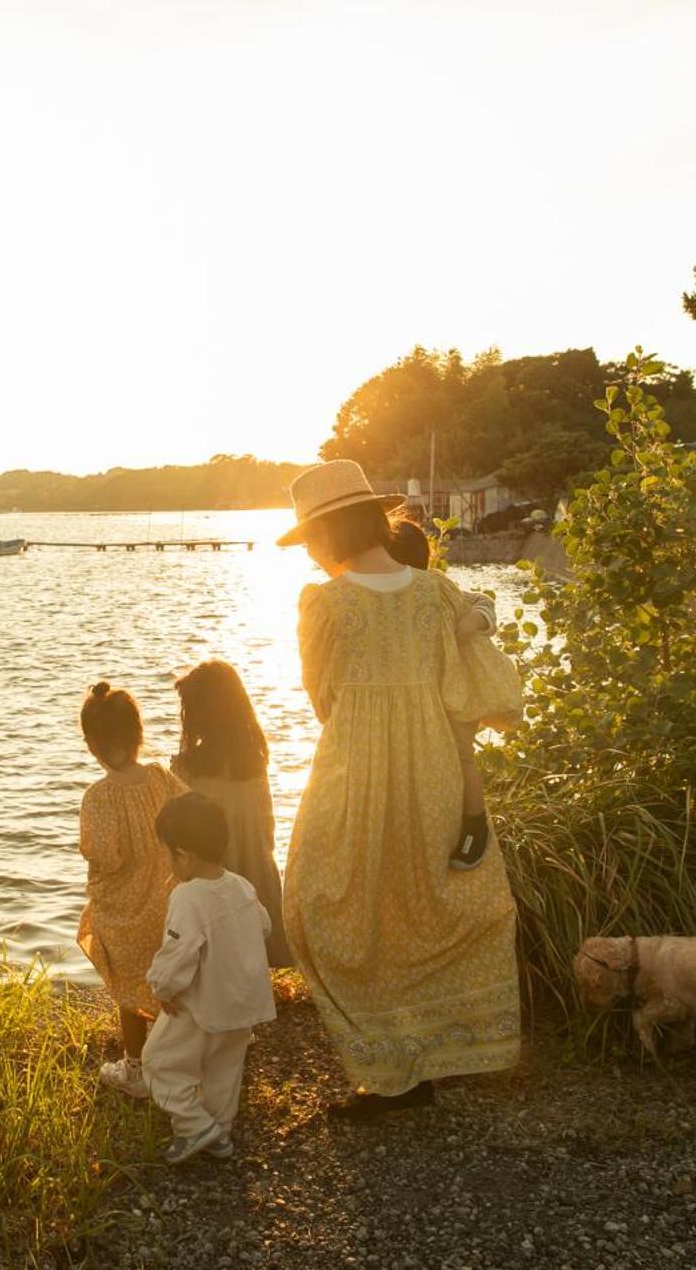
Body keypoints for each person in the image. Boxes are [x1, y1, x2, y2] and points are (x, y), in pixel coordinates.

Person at [277, 459, 522, 1117]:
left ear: (326, 533)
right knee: (421, 906)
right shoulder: (435, 591)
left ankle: (390, 1067)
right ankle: (422, 1058)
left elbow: (321, 697)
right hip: (434, 765)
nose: (312, 553)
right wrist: (476, 625)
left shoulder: (324, 604)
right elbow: (476, 627)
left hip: (354, 767)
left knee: (320, 900)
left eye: (310, 540)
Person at [142, 792, 276, 1163]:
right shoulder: (241, 885)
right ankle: (219, 1132)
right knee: (223, 1069)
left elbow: (179, 953)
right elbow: (263, 926)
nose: (168, 862)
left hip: (204, 1000)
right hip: (244, 1000)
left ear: (183, 855)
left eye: (168, 854)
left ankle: (193, 1125)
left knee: (158, 1061)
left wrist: (161, 986)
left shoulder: (188, 897)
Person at [385, 516, 516, 869]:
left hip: (459, 692)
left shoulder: (437, 588)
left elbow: (483, 601)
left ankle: (475, 825)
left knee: (461, 756)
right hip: (426, 697)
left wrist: (469, 624)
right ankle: (435, 826)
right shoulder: (391, 599)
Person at [77, 681, 183, 1099]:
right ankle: (183, 1049)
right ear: (139, 733)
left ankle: (137, 1068)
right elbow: (187, 813)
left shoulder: (98, 796)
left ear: (92, 745)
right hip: (170, 895)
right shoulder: (160, 777)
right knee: (174, 974)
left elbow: (104, 855)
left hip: (126, 905)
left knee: (128, 984)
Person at [171, 660, 293, 966]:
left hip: (214, 886)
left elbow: (180, 838)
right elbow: (267, 829)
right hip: (258, 879)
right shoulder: (255, 764)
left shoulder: (187, 769)